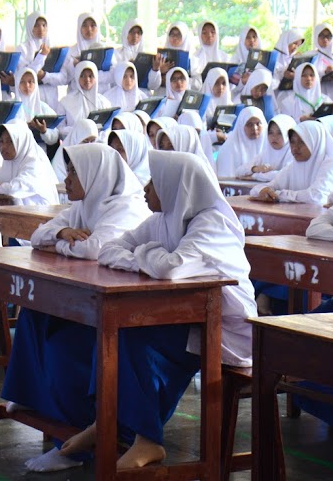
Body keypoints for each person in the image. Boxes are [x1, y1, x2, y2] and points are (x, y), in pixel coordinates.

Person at [75, 151, 257, 470]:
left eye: (154, 181)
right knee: (115, 332)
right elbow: (108, 249)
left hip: (227, 330)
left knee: (136, 339)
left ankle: (146, 439)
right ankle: (109, 422)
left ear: (176, 185)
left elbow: (171, 269)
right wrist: (149, 256)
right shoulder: (164, 218)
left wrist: (145, 256)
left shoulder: (213, 221)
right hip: (189, 320)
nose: (146, 188)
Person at [3, 143, 150, 473]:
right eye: (67, 171)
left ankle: (72, 443)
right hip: (87, 296)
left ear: (96, 174)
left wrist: (63, 242)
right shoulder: (84, 205)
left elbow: (95, 249)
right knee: (33, 313)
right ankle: (30, 396)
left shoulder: (126, 207)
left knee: (63, 345)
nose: (67, 179)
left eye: (74, 172)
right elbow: (38, 234)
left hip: (119, 310)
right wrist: (63, 234)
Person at [250, 121, 333, 204]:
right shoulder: (293, 167)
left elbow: (316, 197)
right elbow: (257, 189)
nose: (295, 147)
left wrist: (278, 195)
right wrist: (263, 190)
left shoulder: (331, 166)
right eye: (292, 142)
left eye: (302, 142)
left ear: (315, 143)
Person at [0, 122, 60, 207]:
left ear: (21, 142)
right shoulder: (8, 164)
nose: (3, 147)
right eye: (1, 141)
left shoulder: (35, 164)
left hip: (42, 214)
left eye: (10, 141)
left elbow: (14, 189)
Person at [43, 13, 112, 96]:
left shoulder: (107, 51)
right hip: (76, 99)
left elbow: (113, 76)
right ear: (79, 28)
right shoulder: (71, 52)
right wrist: (74, 67)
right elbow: (64, 79)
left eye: (93, 25)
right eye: (84, 26)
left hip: (102, 96)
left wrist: (91, 73)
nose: (89, 29)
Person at [18, 13, 61, 110]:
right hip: (31, 95)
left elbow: (63, 77)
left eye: (43, 25)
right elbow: (25, 74)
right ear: (30, 26)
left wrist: (45, 76)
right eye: (36, 25)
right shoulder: (22, 49)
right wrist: (42, 56)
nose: (41, 29)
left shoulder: (53, 48)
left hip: (51, 95)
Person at [58, 61, 110, 138]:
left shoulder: (104, 102)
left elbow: (107, 129)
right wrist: (80, 130)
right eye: (82, 76)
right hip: (73, 145)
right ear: (76, 77)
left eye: (90, 76)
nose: (87, 79)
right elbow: (59, 129)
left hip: (97, 144)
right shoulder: (65, 101)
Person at [215, 106, 267, 179]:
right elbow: (225, 181)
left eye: (258, 123)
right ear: (241, 126)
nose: (255, 128)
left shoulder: (270, 146)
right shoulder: (228, 149)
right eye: (249, 124)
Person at [13, 67, 60, 147]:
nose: (27, 86)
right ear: (17, 83)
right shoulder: (12, 107)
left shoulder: (43, 107)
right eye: (22, 82)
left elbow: (54, 137)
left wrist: (44, 131)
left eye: (30, 82)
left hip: (40, 152)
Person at [242, 114, 296, 181]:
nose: (274, 137)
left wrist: (255, 175)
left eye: (279, 133)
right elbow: (239, 171)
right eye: (270, 133)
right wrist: (255, 169)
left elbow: (284, 175)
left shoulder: (294, 153)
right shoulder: (266, 152)